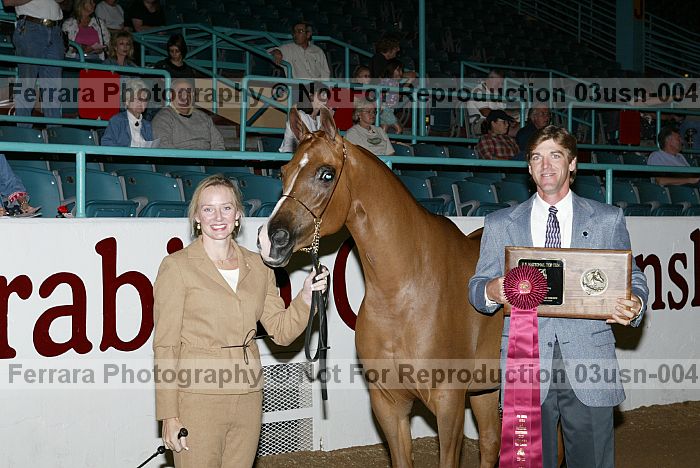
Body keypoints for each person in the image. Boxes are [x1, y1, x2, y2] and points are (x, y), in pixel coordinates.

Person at [468, 125, 649, 468]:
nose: (546, 165)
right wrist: (492, 290)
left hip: (589, 360)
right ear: (529, 166)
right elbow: (476, 289)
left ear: (573, 163)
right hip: (525, 364)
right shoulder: (500, 223)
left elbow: (633, 276)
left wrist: (636, 302)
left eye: (555, 155)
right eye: (537, 157)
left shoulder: (606, 219)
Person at [153, 174, 329, 468]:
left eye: (226, 208)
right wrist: (169, 416)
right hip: (197, 398)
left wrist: (306, 296)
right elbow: (166, 346)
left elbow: (281, 331)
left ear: (237, 215)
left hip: (249, 395)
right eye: (208, 209)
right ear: (196, 217)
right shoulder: (177, 267)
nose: (217, 217)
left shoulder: (259, 266)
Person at [8, 0, 65, 125]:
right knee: (27, 85)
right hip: (30, 26)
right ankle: (23, 132)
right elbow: (7, 2)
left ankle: (54, 132)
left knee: (54, 89)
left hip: (55, 29)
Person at [152, 78, 225, 150]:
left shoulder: (204, 117)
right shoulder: (163, 118)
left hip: (206, 157)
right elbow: (164, 147)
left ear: (193, 95)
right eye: (180, 92)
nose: (184, 96)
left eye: (188, 92)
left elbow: (218, 144)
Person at [101, 78, 154, 147]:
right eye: (136, 99)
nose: (140, 102)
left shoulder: (147, 126)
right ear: (127, 102)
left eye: (144, 100)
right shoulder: (117, 121)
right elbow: (106, 143)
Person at [279, 83, 329, 152]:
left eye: (326, 96)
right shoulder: (300, 115)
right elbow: (307, 142)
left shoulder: (319, 119)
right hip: (290, 155)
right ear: (310, 95)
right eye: (321, 95)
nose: (324, 99)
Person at [465, 69, 507, 136]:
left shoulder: (496, 92)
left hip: (495, 122)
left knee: (517, 123)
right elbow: (485, 112)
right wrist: (506, 117)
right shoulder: (478, 91)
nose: (500, 86)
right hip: (479, 124)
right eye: (498, 83)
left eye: (501, 83)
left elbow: (503, 111)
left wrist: (514, 116)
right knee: (503, 124)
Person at [378, 59, 404, 134]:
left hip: (388, 109)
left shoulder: (394, 82)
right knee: (399, 129)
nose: (401, 73)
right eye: (398, 70)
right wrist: (381, 104)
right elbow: (381, 92)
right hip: (386, 109)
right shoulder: (388, 81)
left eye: (401, 70)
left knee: (384, 130)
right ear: (391, 69)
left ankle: (383, 141)